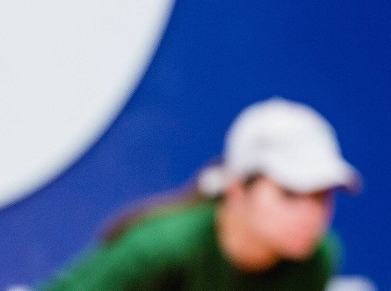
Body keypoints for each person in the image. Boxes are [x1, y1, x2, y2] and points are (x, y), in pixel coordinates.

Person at [43, 98, 360, 290]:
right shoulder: (160, 250)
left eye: (321, 196)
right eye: (290, 193)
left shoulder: (316, 259)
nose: (311, 215)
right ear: (237, 190)